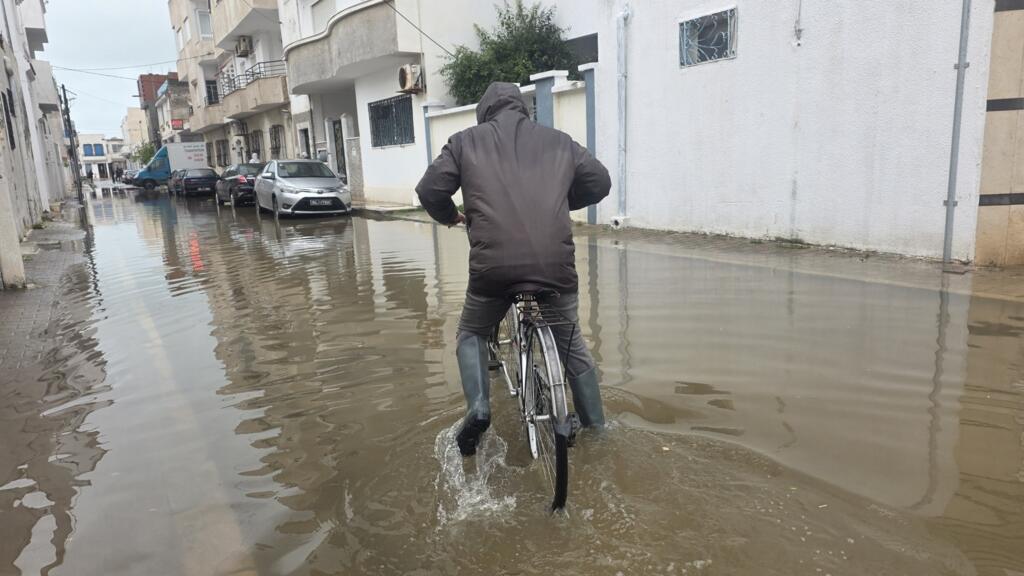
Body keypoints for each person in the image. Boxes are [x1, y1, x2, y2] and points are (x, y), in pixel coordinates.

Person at [416, 82, 611, 456]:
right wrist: (561, 200)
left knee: (472, 331)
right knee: (572, 343)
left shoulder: (465, 142)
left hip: (494, 270)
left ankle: (478, 407)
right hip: (555, 268)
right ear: (523, 108)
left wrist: (450, 216)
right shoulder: (560, 141)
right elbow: (600, 182)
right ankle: (599, 431)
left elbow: (429, 190)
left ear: (484, 113)